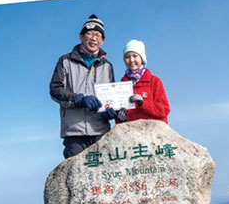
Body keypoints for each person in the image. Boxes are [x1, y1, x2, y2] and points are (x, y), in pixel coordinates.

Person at [49, 14, 119, 158]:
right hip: (74, 132)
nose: (94, 38)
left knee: (104, 176)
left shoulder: (107, 66)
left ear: (103, 41)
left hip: (101, 131)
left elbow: (112, 97)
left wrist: (111, 112)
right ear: (81, 36)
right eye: (90, 33)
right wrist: (78, 99)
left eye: (98, 35)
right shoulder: (65, 61)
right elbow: (55, 90)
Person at [116, 40, 170, 123]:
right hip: (132, 133)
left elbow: (164, 110)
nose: (131, 60)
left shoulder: (154, 81)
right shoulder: (121, 86)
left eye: (135, 56)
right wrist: (120, 118)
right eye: (127, 57)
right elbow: (120, 119)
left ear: (142, 58)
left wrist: (143, 103)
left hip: (153, 133)